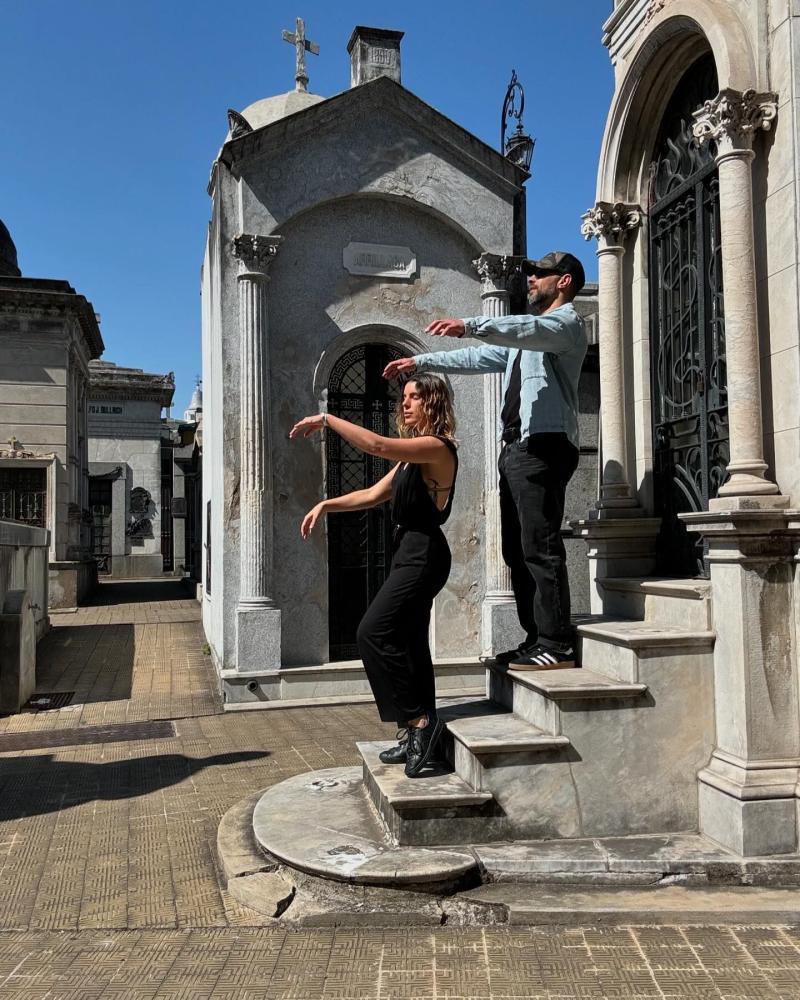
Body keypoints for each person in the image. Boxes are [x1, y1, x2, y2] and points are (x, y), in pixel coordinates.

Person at [383, 251, 587, 670]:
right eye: (529, 273)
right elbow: (477, 358)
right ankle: (536, 639)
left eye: (540, 274)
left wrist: (472, 324)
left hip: (544, 445)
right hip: (516, 448)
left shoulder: (564, 324)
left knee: (539, 546)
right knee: (515, 550)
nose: (530, 279)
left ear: (563, 281)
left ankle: (557, 641)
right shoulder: (522, 343)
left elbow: (527, 328)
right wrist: (420, 361)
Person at [290, 373, 458, 777]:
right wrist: (326, 504)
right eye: (403, 397)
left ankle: (420, 721)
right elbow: (370, 494)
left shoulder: (437, 448)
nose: (405, 404)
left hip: (424, 554)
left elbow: (378, 445)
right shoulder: (410, 461)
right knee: (410, 640)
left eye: (415, 397)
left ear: (433, 402)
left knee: (372, 632)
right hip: (408, 553)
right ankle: (416, 733)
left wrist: (328, 420)